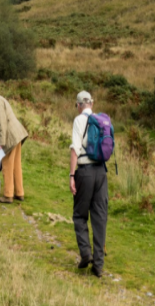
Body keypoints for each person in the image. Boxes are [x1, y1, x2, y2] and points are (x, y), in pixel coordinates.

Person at [69, 91, 108, 278]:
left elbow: (75, 149)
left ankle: (86, 254)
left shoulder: (78, 121)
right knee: (100, 219)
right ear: (92, 103)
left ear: (78, 105)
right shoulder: (101, 120)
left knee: (79, 214)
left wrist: (71, 175)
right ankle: (98, 265)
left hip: (84, 172)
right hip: (101, 172)